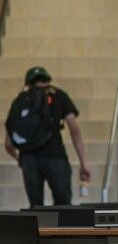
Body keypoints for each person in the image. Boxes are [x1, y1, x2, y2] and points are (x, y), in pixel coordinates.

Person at [4, 66, 91, 207]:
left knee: (36, 209)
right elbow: (74, 130)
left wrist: (20, 158)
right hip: (55, 157)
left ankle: (37, 230)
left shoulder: (19, 101)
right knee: (63, 208)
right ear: (48, 80)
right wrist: (83, 163)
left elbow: (8, 144)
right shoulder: (59, 95)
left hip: (29, 159)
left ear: (27, 83)